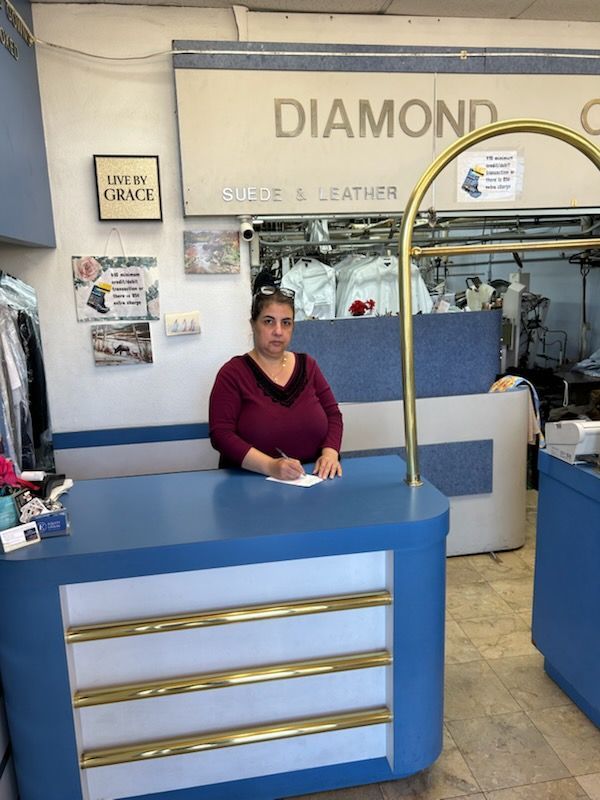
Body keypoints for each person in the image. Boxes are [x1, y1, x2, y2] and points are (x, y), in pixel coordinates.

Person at [209, 285, 343, 481]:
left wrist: (330, 454)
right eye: (269, 321)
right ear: (253, 324)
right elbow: (221, 435)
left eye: (286, 323)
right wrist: (271, 466)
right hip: (249, 485)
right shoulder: (232, 373)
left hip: (312, 480)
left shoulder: (309, 365)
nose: (278, 331)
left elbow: (333, 415)